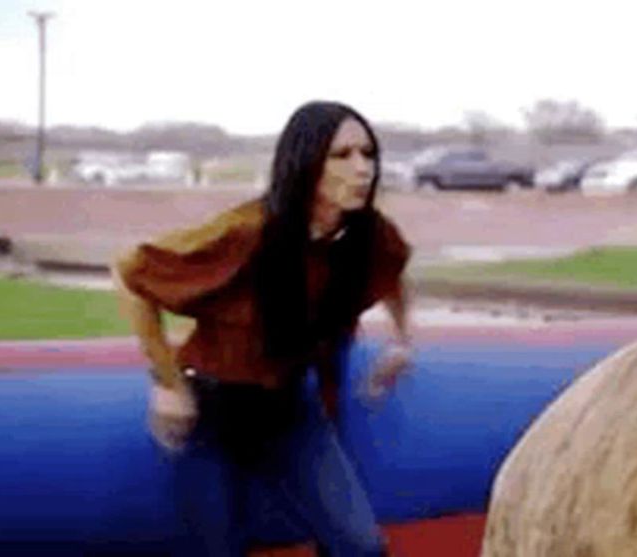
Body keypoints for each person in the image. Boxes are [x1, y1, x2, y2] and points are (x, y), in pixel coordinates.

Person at [112, 101, 412, 556]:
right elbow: (129, 272)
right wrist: (166, 382)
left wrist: (400, 339)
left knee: (362, 547)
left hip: (291, 410)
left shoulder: (369, 235)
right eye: (343, 155)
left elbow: (393, 270)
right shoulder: (247, 231)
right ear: (305, 160)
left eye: (368, 154)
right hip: (211, 411)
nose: (362, 169)